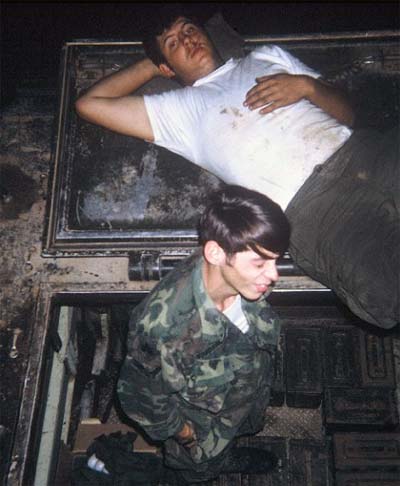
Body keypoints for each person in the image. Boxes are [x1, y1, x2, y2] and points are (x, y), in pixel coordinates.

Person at [75, 9, 399, 329]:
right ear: (166, 67)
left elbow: (348, 116)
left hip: (365, 153)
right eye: (174, 43)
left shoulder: (266, 57)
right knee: (383, 289)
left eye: (189, 29)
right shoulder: (176, 112)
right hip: (318, 211)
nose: (188, 40)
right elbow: (89, 104)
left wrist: (306, 87)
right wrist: (153, 63)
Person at [116, 184, 291, 483]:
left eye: (275, 261)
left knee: (242, 427)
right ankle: (215, 463)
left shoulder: (246, 283)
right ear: (216, 253)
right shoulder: (161, 329)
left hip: (245, 394)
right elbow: (139, 399)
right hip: (203, 428)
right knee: (198, 469)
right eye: (260, 263)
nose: (274, 275)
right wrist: (187, 437)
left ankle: (228, 449)